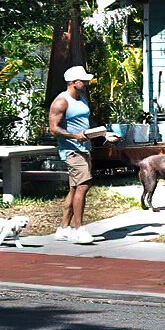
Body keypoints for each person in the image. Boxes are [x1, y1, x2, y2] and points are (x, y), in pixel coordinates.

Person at [49, 65, 112, 244]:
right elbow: (54, 129)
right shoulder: (61, 101)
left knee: (75, 188)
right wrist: (74, 136)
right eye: (83, 80)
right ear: (72, 82)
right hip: (71, 149)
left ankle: (63, 229)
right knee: (83, 186)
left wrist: (103, 134)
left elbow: (86, 122)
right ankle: (78, 230)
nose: (86, 82)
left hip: (85, 148)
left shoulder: (82, 98)